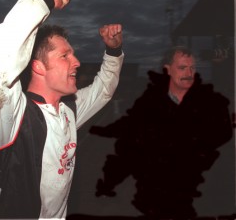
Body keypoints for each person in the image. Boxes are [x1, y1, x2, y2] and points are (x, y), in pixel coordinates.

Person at [0, 0, 124, 218]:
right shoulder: (15, 118)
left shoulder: (68, 110)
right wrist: (41, 0)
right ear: (39, 67)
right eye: (65, 55)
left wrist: (114, 51)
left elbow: (103, 90)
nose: (77, 62)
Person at [90, 46, 232, 219]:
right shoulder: (151, 102)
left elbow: (221, 136)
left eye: (192, 67)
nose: (189, 72)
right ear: (167, 70)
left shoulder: (206, 101)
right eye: (182, 68)